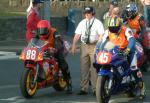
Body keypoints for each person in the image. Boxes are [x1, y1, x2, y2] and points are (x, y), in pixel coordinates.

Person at [99, 16, 146, 99]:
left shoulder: (126, 30)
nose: (113, 30)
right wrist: (100, 50)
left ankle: (142, 88)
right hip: (114, 50)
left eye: (115, 28)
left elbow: (131, 40)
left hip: (127, 50)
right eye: (111, 28)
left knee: (133, 68)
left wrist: (127, 50)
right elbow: (102, 42)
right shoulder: (107, 32)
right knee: (106, 62)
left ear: (119, 26)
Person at [71, 6, 104, 95]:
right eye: (85, 13)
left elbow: (101, 35)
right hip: (84, 46)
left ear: (92, 13)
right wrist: (74, 45)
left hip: (94, 45)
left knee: (94, 68)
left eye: (88, 13)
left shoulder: (98, 23)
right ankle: (83, 88)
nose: (86, 15)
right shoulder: (82, 23)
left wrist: (98, 45)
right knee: (83, 67)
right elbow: (77, 34)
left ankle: (95, 89)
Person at [37, 20, 72, 94]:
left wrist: (55, 49)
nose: (42, 32)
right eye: (40, 30)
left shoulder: (55, 32)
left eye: (44, 30)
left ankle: (69, 84)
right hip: (46, 49)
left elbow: (58, 42)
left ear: (48, 29)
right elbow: (33, 41)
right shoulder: (39, 34)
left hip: (58, 49)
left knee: (62, 63)